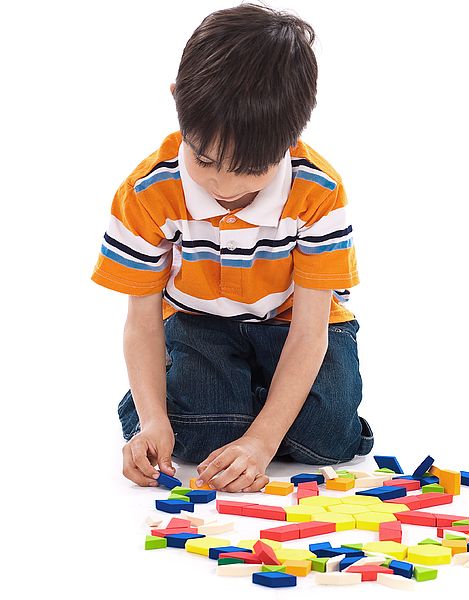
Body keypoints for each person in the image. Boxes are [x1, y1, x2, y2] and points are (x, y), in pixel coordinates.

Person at [90, 2, 373, 493]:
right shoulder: (146, 192)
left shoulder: (319, 193)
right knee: (197, 437)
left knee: (327, 441)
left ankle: (252, 403)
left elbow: (311, 331)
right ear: (178, 101)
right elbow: (141, 319)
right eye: (203, 158)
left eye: (248, 169)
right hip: (201, 323)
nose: (222, 184)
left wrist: (261, 443)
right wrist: (152, 421)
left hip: (294, 327)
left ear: (291, 137)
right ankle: (178, 401)